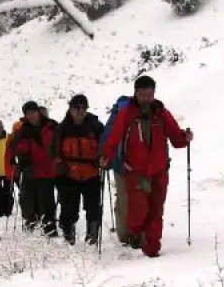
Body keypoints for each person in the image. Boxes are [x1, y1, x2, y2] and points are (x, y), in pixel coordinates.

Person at [99, 75, 193, 258]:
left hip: (159, 171)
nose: (146, 99)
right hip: (135, 172)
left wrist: (185, 137)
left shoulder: (162, 113)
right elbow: (114, 137)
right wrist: (105, 156)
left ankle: (152, 249)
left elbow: (176, 138)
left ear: (154, 93)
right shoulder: (127, 114)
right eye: (143, 95)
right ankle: (135, 236)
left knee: (156, 210)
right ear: (136, 93)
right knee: (139, 210)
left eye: (149, 95)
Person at [52, 94, 104, 245]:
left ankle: (92, 234)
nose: (81, 111)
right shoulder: (61, 129)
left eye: (83, 107)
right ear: (70, 108)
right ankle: (69, 234)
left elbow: (105, 146)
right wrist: (58, 163)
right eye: (77, 108)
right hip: (68, 174)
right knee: (68, 207)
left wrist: (104, 158)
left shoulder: (96, 127)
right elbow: (53, 150)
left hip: (91, 173)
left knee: (93, 207)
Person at [8, 100, 58, 237]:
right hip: (30, 171)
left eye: (33, 112)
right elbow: (13, 148)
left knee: (47, 204)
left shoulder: (52, 126)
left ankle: (50, 232)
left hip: (48, 171)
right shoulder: (22, 130)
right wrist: (22, 149)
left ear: (38, 112)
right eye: (28, 113)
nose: (31, 116)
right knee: (28, 202)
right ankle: (31, 231)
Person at [100, 95, 132, 247]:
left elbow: (107, 137)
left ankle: (124, 234)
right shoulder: (137, 112)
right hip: (135, 165)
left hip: (119, 165)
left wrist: (105, 157)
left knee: (123, 198)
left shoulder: (115, 115)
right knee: (137, 198)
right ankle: (135, 233)